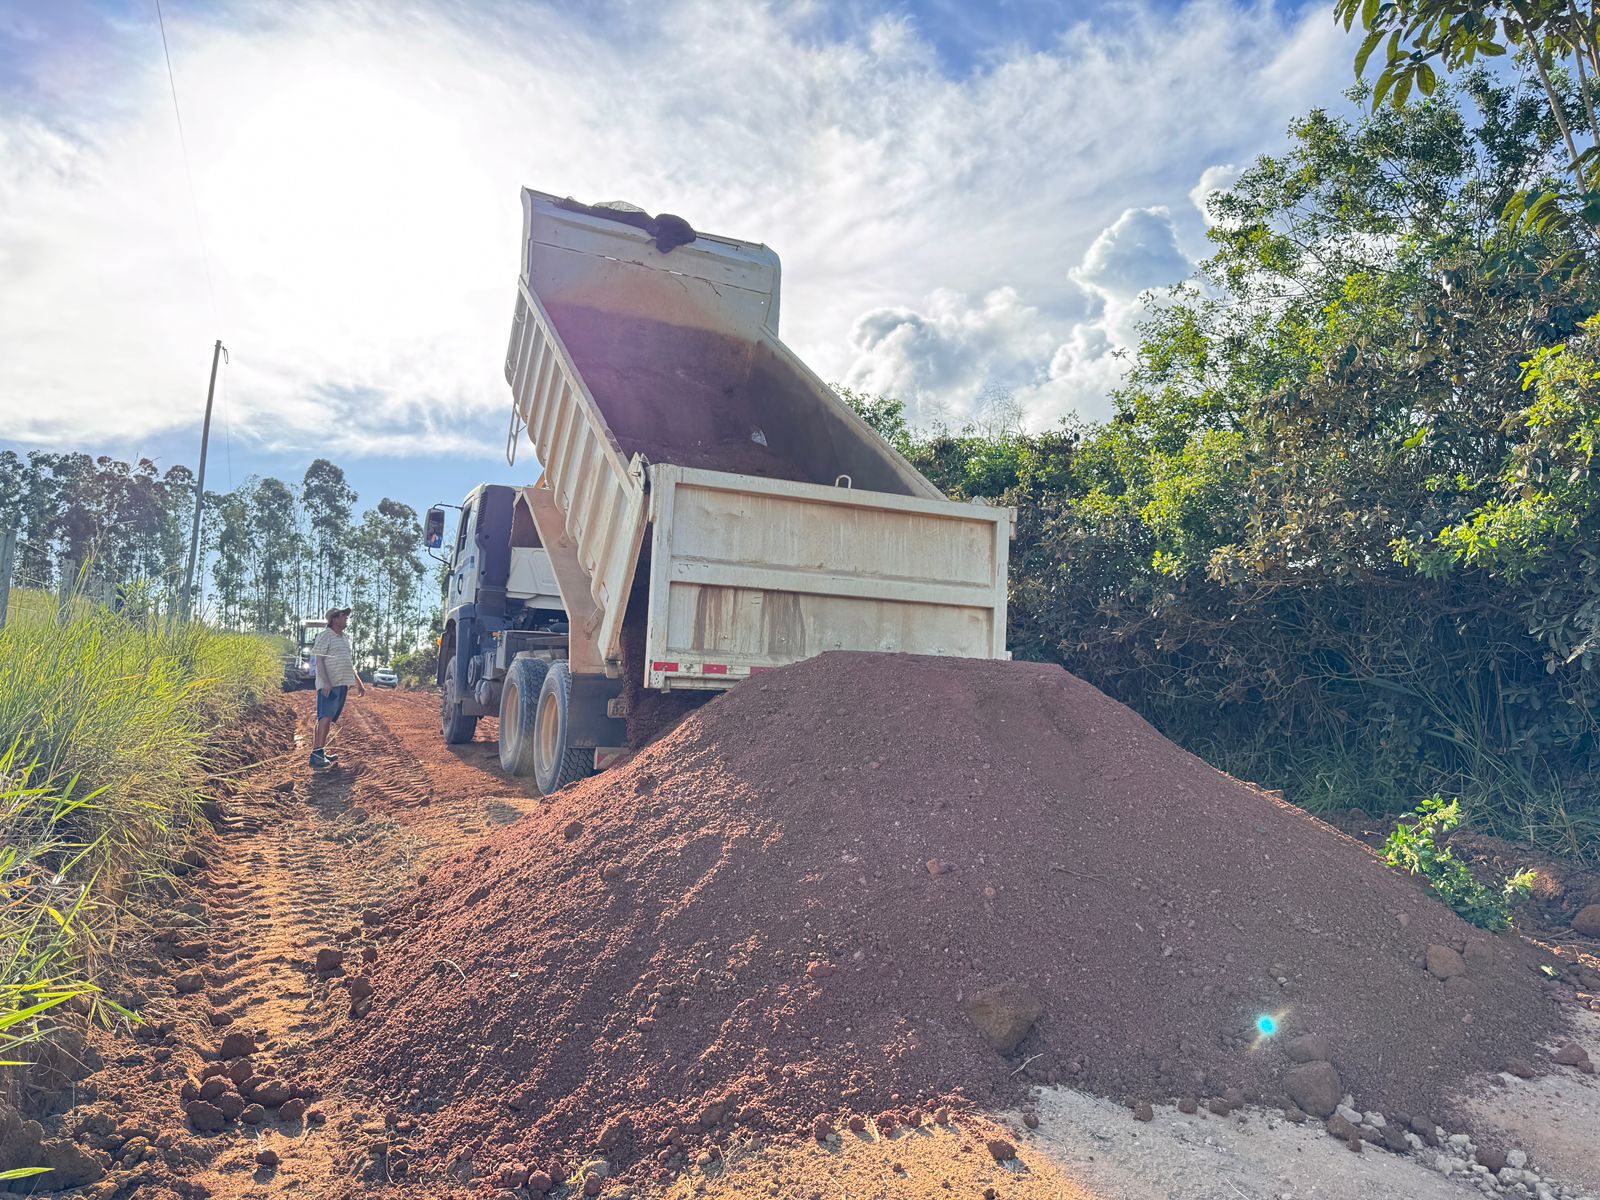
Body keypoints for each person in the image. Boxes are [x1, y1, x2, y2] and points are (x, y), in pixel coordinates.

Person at [310, 606, 364, 769]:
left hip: (342, 684)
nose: (346, 617)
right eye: (343, 615)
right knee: (324, 717)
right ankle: (316, 755)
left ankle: (319, 753)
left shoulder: (344, 638)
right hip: (329, 685)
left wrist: (358, 682)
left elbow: (348, 662)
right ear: (334, 618)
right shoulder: (325, 635)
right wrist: (326, 682)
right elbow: (319, 660)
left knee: (328, 718)